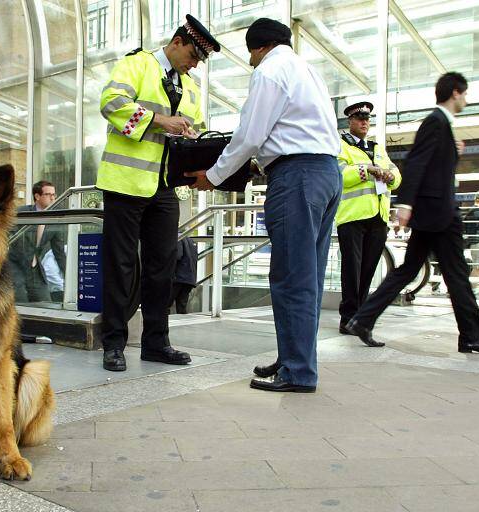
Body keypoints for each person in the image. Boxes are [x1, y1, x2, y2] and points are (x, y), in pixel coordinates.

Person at [189, 18, 341, 393]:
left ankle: (298, 371)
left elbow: (249, 135)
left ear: (258, 47)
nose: (252, 64)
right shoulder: (307, 70)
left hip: (297, 178)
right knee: (308, 277)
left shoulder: (270, 70)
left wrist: (215, 175)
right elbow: (288, 131)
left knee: (291, 277)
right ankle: (294, 355)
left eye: (250, 57)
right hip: (325, 174)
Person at [347, 73, 479, 355]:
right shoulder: (436, 122)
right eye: (465, 94)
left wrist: (454, 154)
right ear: (456, 93)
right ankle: (471, 335)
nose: (467, 100)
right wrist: (406, 205)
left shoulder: (443, 125)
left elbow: (434, 168)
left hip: (434, 212)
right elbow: (416, 164)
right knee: (456, 274)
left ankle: (363, 319)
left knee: (409, 270)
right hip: (438, 214)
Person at [97, 15, 220, 372]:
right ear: (179, 41)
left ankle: (155, 342)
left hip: (166, 187)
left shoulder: (192, 88)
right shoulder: (137, 64)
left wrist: (196, 141)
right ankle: (115, 343)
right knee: (120, 266)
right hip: (125, 182)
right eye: (194, 55)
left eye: (200, 60)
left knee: (162, 266)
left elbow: (194, 130)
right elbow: (110, 102)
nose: (195, 64)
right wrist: (158, 121)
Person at [336, 102, 401, 339]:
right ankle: (347, 318)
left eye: (367, 118)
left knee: (368, 269)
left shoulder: (378, 148)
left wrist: (389, 175)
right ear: (349, 121)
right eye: (359, 118)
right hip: (352, 216)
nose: (364, 122)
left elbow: (397, 177)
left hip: (378, 216)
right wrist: (368, 170)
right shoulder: (341, 147)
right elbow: (340, 176)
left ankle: (359, 318)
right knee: (352, 270)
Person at [9, 181, 66, 303]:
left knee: (45, 303)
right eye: (48, 194)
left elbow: (59, 252)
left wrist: (71, 276)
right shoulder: (22, 213)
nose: (52, 198)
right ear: (37, 196)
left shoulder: (55, 220)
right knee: (21, 303)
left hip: (35, 269)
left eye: (54, 194)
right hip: (16, 267)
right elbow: (9, 235)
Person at [462, 191, 479, 278]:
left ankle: (471, 288)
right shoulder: (475, 211)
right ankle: (471, 288)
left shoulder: (476, 210)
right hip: (478, 243)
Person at [170, 237, 197, 314]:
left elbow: (177, 255)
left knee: (166, 303)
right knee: (182, 305)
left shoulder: (178, 238)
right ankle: (180, 323)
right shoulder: (191, 240)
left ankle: (163, 324)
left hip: (178, 277)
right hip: (190, 278)